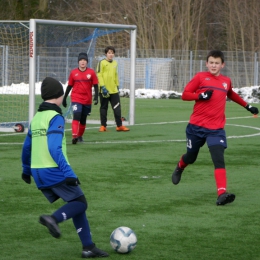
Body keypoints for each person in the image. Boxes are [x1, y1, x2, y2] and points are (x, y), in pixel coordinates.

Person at [21, 77, 109, 258]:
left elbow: (27, 147)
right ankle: (53, 219)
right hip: (53, 169)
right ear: (59, 96)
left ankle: (88, 247)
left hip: (38, 171)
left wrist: (25, 169)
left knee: (76, 202)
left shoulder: (36, 118)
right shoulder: (56, 117)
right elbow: (54, 148)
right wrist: (69, 173)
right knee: (80, 202)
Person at [171, 50, 259, 206]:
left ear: (222, 65)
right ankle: (180, 166)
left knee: (218, 159)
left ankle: (222, 193)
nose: (213, 65)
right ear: (207, 63)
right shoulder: (200, 77)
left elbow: (230, 94)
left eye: (217, 63)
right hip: (196, 127)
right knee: (191, 158)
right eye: (211, 62)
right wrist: (200, 96)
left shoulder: (226, 81)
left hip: (216, 128)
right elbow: (185, 94)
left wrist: (248, 106)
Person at [62, 52, 99, 144]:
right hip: (76, 98)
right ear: (78, 62)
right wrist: (64, 97)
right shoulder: (73, 73)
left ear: (87, 62)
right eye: (81, 60)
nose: (83, 62)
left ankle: (79, 136)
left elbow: (96, 85)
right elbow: (69, 86)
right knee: (77, 115)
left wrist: (96, 97)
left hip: (87, 100)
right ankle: (74, 136)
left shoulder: (91, 72)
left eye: (84, 60)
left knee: (83, 119)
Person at [96, 46, 130, 132]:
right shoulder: (101, 62)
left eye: (112, 53)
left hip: (114, 90)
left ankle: (119, 125)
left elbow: (115, 75)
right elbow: (99, 75)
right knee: (104, 108)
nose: (111, 54)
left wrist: (117, 85)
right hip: (104, 90)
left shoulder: (115, 63)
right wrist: (103, 87)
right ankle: (103, 126)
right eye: (109, 53)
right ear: (106, 54)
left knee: (117, 108)